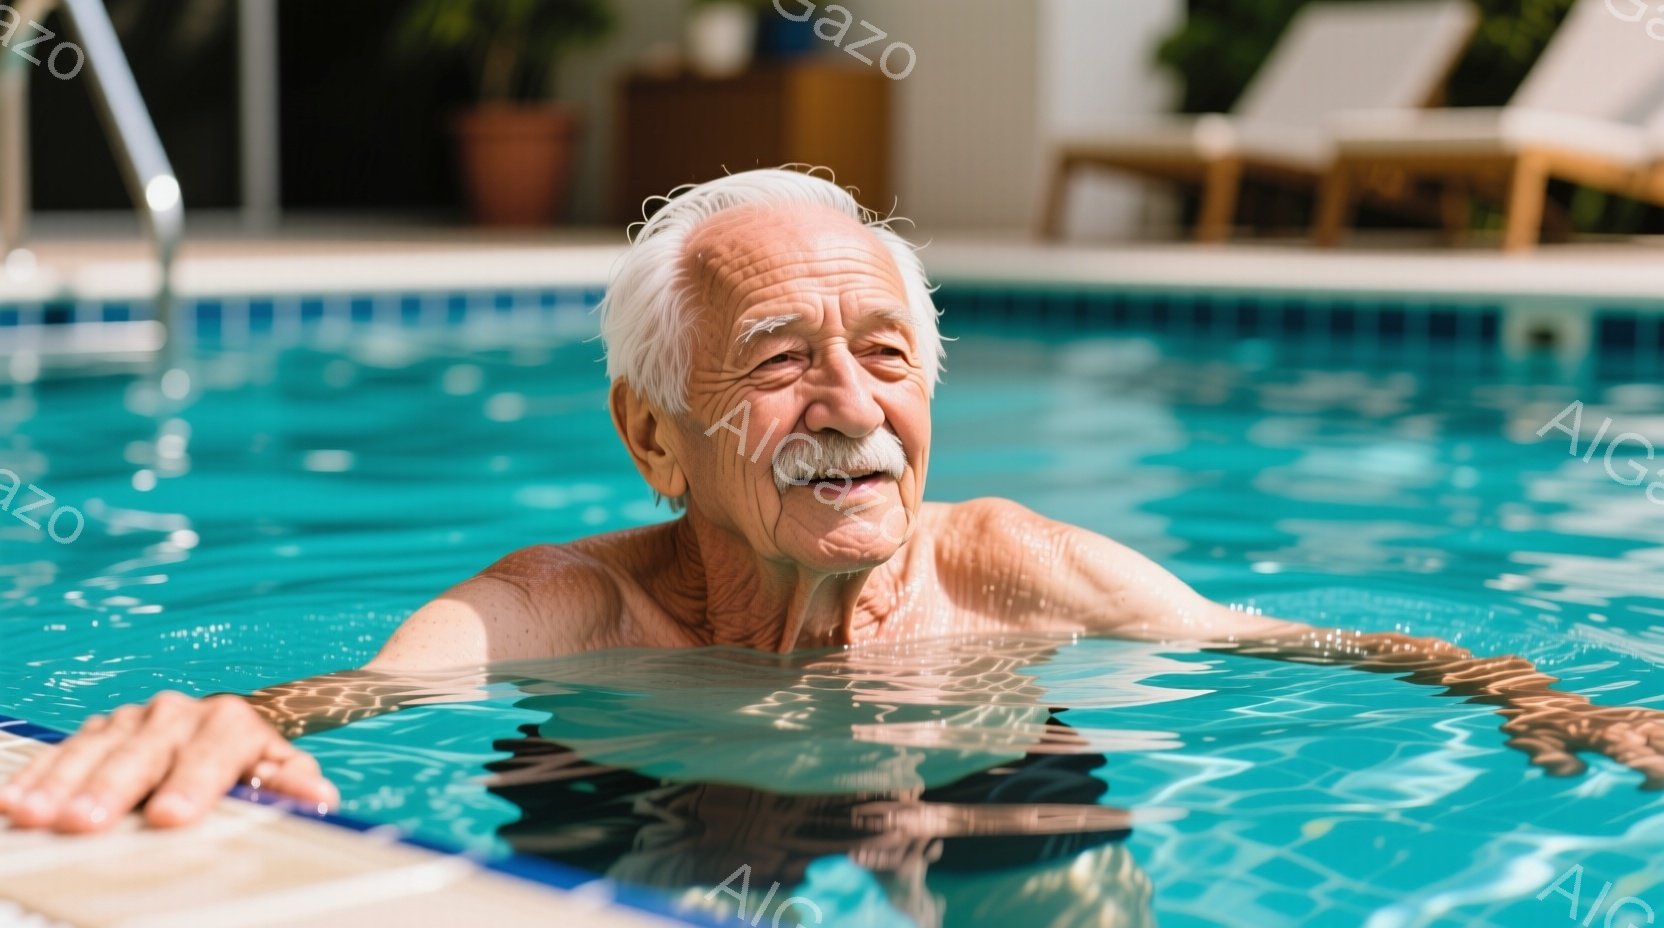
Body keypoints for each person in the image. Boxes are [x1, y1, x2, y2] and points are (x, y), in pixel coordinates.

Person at [3, 167, 1661, 836]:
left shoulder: (1009, 572)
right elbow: (373, 686)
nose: (852, 410)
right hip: (644, 782)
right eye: (781, 361)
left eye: (886, 356)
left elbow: (1299, 640)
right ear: (657, 442)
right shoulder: (585, 610)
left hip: (968, 758)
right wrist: (231, 715)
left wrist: (1533, 688)